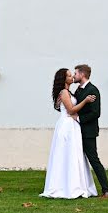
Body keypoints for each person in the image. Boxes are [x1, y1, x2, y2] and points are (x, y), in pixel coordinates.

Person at [41, 68, 98, 199]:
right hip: (67, 126)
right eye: (68, 75)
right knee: (66, 154)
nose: (72, 76)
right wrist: (85, 101)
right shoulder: (64, 93)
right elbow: (71, 110)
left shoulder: (69, 92)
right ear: (63, 79)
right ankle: (65, 186)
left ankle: (73, 184)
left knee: (73, 154)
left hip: (72, 125)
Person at [73, 64, 108, 198]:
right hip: (76, 131)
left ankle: (106, 190)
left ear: (82, 74)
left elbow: (96, 113)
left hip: (88, 132)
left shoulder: (93, 90)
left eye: (76, 73)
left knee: (93, 160)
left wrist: (78, 119)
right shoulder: (78, 90)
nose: (74, 76)